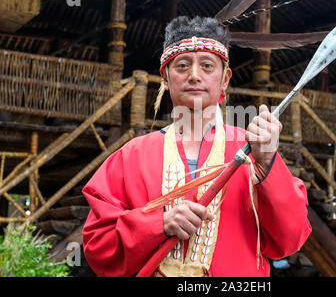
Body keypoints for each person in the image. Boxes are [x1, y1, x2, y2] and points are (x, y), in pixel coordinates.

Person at [82, 16, 311, 277]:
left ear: (225, 79)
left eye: (207, 66)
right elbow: (97, 247)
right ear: (165, 78)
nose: (194, 75)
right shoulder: (131, 156)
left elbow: (289, 239)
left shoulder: (253, 150)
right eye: (181, 65)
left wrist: (268, 163)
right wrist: (160, 223)